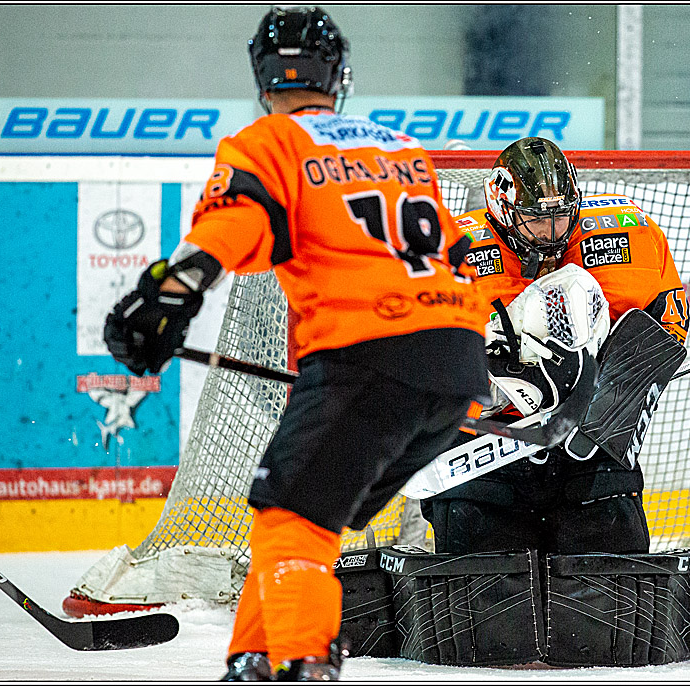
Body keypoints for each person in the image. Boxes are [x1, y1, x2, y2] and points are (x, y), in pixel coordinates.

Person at [102, 6, 487, 681]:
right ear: (337, 75)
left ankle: (302, 665)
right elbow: (456, 252)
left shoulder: (270, 141)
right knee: (303, 518)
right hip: (456, 365)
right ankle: (254, 659)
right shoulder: (399, 147)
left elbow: (238, 224)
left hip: (367, 351)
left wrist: (172, 292)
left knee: (291, 521)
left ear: (262, 75)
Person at [419, 136, 690, 558]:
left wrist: (611, 385)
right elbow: (421, 357)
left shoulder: (628, 234)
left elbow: (668, 321)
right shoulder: (453, 251)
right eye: (534, 221)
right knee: (485, 595)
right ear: (502, 210)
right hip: (487, 447)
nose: (551, 235)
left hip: (589, 442)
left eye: (561, 219)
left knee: (610, 584)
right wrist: (494, 384)